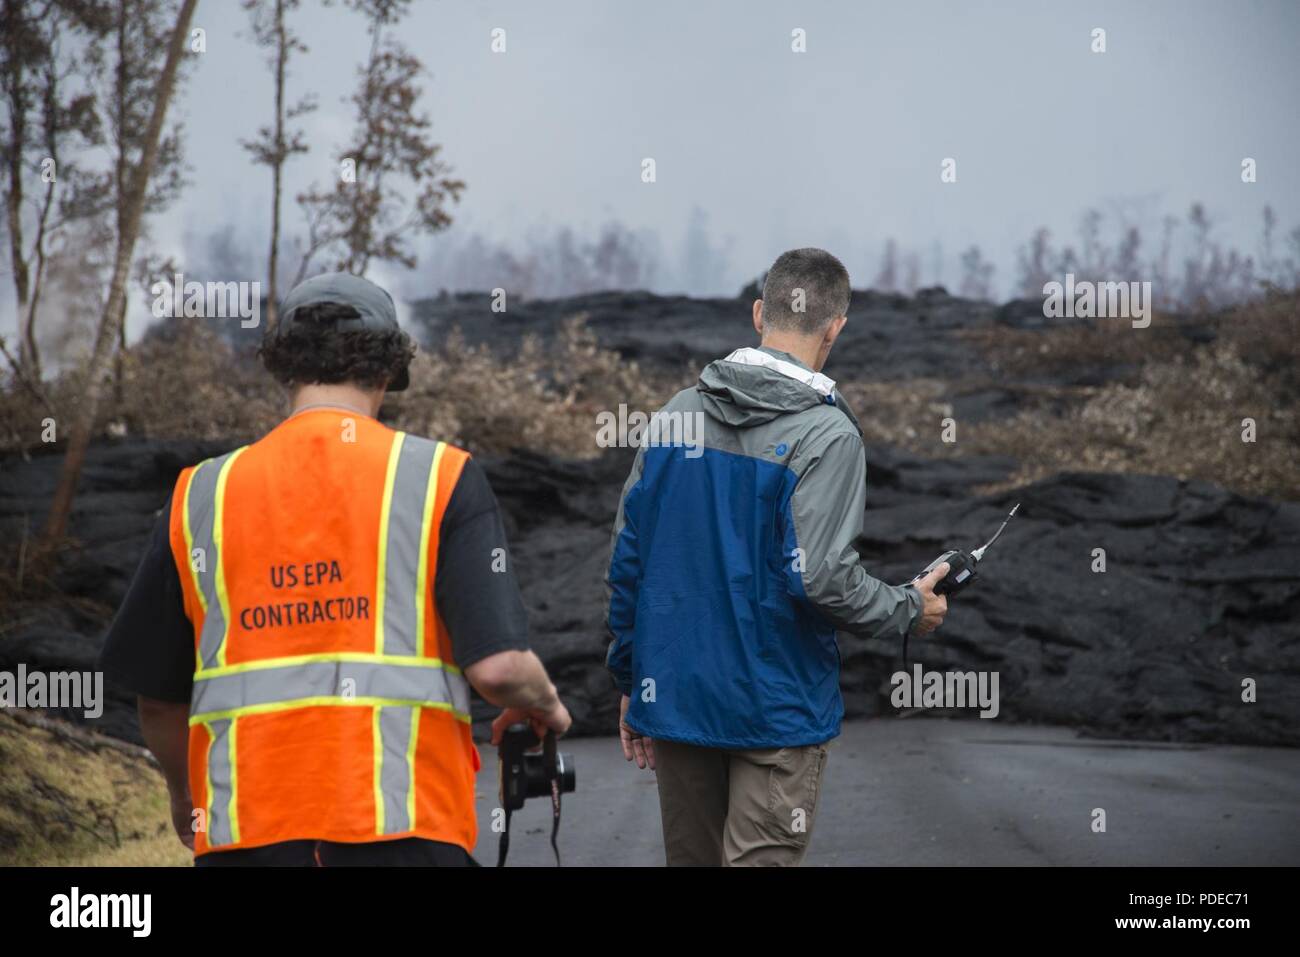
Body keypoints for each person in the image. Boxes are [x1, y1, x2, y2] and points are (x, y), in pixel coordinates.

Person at [98, 272, 570, 866]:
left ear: (284, 370)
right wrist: (545, 702)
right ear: (386, 373)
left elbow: (159, 700)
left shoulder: (202, 495)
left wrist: (184, 799)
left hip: (247, 840)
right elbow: (501, 670)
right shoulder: (439, 479)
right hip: (405, 834)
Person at [604, 248, 950, 866]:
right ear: (835, 326)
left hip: (679, 698)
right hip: (775, 710)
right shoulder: (829, 435)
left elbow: (629, 559)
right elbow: (820, 577)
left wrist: (631, 679)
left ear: (760, 311)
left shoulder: (676, 415)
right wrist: (907, 609)